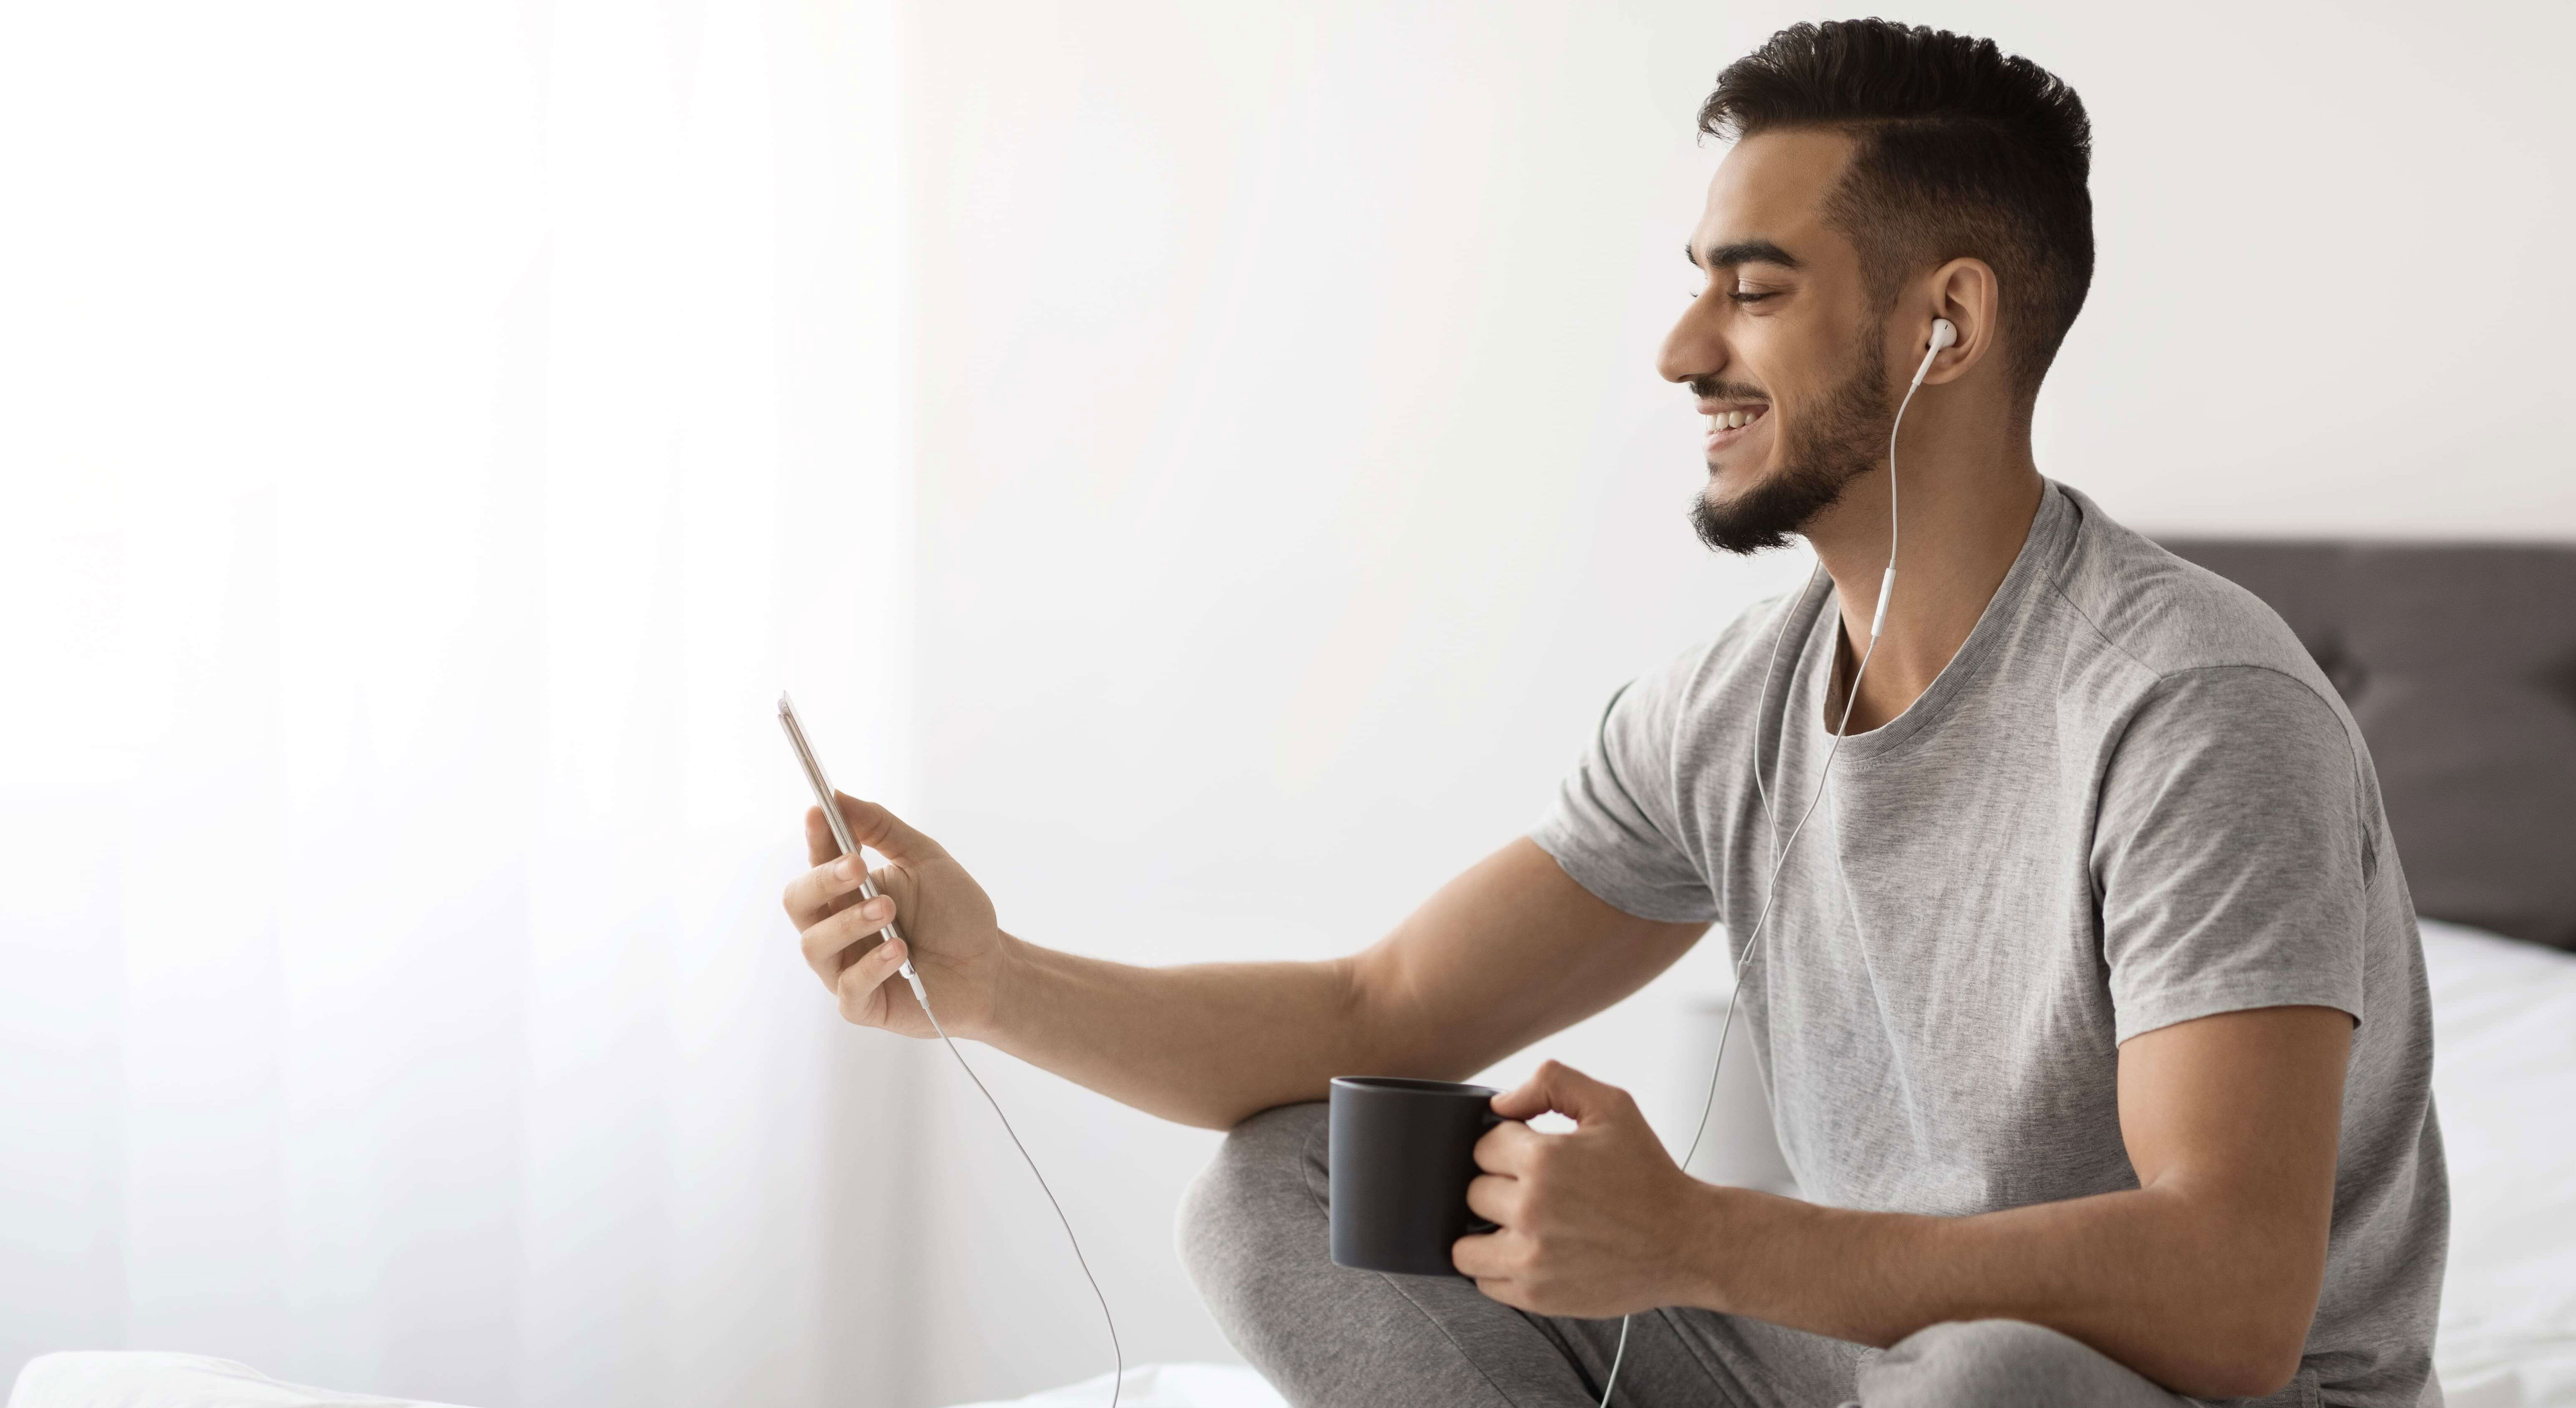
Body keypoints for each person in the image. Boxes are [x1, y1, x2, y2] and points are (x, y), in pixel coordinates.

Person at [781, 18, 2445, 1408]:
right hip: (1859, 1359)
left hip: (2136, 1394)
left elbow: (2235, 1293)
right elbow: (1383, 1004)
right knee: (1282, 1189)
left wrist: (1701, 1236)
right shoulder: (1738, 704)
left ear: (1947, 323)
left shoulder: (2190, 706)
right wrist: (990, 981)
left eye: (1756, 290)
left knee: (1995, 1378)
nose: (1678, 349)